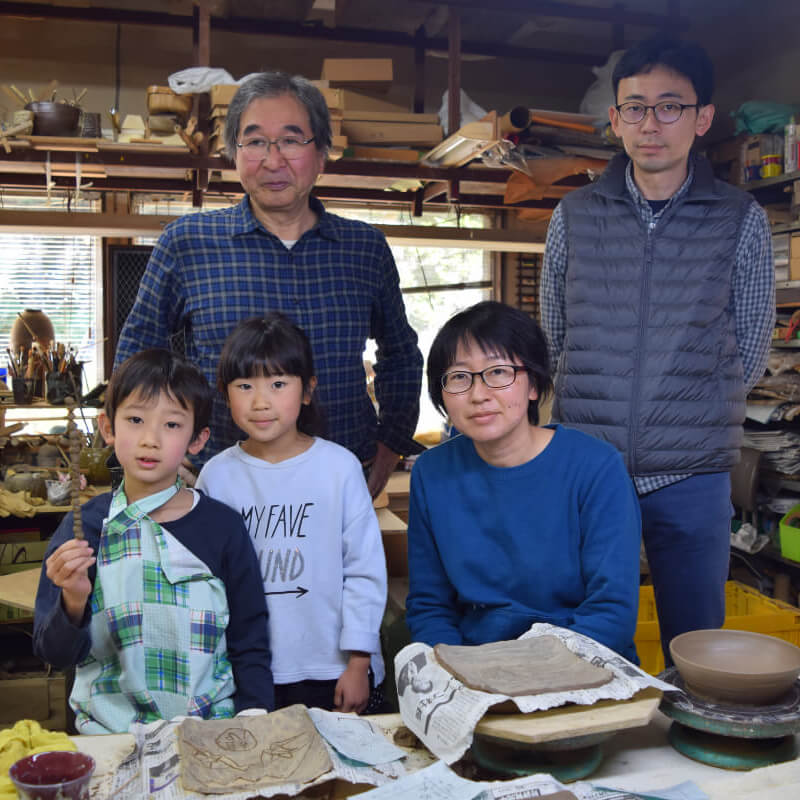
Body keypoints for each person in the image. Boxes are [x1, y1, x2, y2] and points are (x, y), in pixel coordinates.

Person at [540, 35, 775, 664]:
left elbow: (750, 349)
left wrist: (692, 408)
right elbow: (553, 337)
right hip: (589, 466)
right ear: (614, 119)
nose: (652, 124)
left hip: (693, 473)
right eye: (636, 107)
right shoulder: (575, 215)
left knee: (695, 650)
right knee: (583, 644)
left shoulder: (739, 218)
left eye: (670, 107)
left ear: (701, 119)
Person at [114, 70, 423, 497]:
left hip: (340, 480)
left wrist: (390, 447)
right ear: (233, 154)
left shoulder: (364, 248)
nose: (273, 160)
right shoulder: (187, 243)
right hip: (219, 486)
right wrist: (161, 451)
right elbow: (137, 356)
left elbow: (402, 355)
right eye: (255, 141)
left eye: (292, 141)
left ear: (321, 154)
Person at [33, 350, 274, 734]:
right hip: (110, 736)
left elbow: (249, 637)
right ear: (108, 428)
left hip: (210, 731)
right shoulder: (85, 529)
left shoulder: (222, 527)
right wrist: (74, 601)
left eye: (172, 425)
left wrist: (254, 715)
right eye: (135, 419)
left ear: (198, 439)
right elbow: (55, 654)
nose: (150, 439)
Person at [405, 301, 641, 662]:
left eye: (498, 372)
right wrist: (457, 669)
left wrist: (530, 675)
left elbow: (611, 611)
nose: (479, 394)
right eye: (459, 377)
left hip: (584, 661)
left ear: (533, 384)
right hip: (476, 664)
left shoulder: (596, 467)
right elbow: (429, 605)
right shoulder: (431, 472)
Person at [196, 314, 388, 713]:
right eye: (244, 385)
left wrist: (359, 662)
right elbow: (205, 582)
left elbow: (364, 571)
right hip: (249, 671)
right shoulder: (217, 475)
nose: (261, 401)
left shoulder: (339, 468)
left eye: (278, 384)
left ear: (307, 391)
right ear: (225, 393)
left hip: (332, 668)